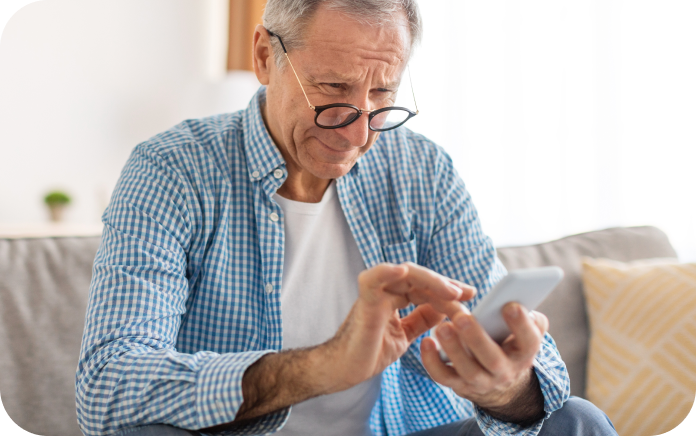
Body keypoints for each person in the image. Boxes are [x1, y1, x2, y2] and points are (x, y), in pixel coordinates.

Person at [75, 1, 617, 435]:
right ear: (265, 56)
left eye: (382, 94)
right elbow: (108, 383)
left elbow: (529, 368)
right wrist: (323, 367)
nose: (359, 135)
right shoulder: (172, 169)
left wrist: (503, 387)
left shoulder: (421, 169)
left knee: (576, 422)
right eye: (333, 89)